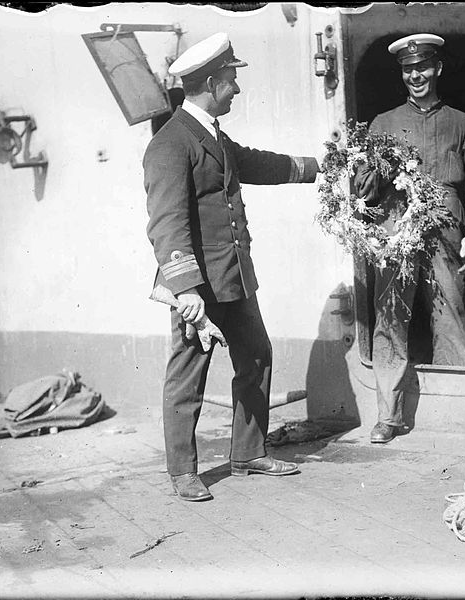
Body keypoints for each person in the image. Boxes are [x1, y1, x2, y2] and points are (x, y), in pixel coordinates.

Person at [144, 32, 319, 502]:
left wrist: (319, 167)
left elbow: (256, 164)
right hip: (198, 287)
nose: (236, 89)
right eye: (230, 80)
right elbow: (167, 223)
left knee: (257, 356)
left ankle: (248, 453)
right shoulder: (170, 144)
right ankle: (182, 470)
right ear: (208, 83)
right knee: (188, 375)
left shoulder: (211, 136)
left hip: (235, 276)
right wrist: (185, 291)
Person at [354, 33, 465, 444]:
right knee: (391, 314)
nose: (416, 75)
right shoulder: (383, 123)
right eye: (408, 69)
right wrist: (364, 174)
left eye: (422, 67)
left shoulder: (462, 122)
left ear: (438, 69)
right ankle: (388, 416)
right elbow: (366, 186)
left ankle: (457, 411)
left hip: (447, 225)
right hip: (398, 224)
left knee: (449, 310)